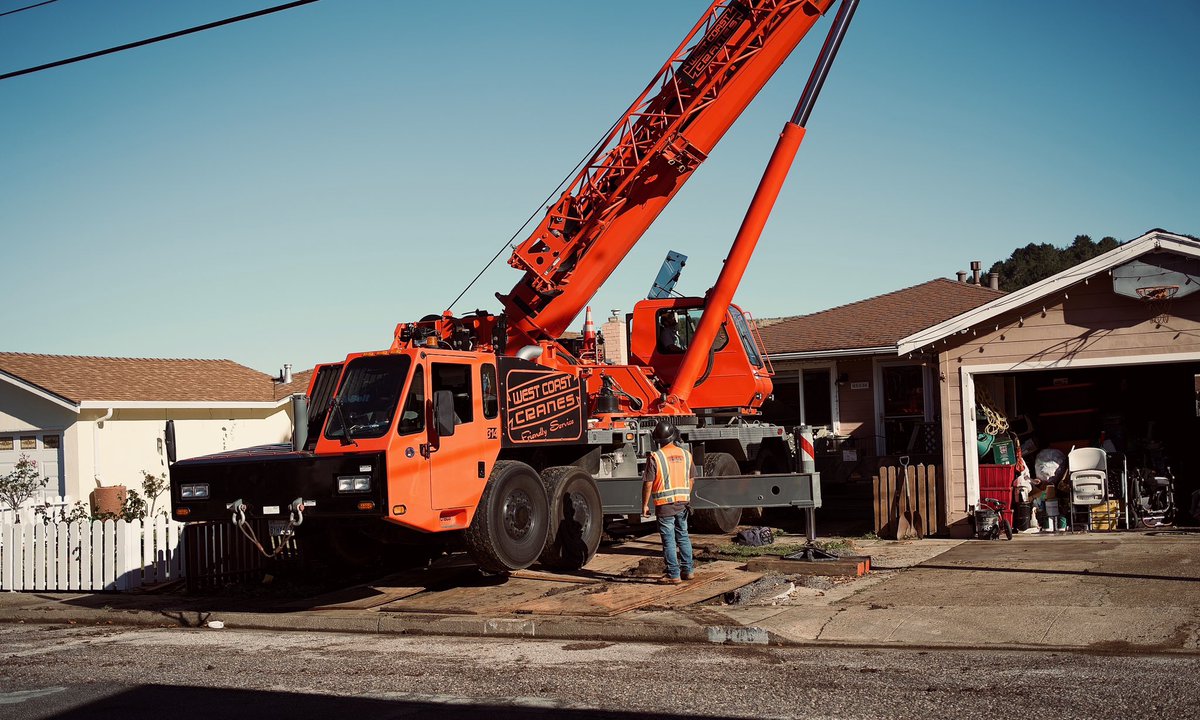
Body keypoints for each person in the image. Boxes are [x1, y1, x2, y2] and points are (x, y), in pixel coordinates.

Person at [642, 419, 695, 584]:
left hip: (665, 506)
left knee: (669, 540)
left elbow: (648, 483)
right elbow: (691, 478)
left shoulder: (656, 457)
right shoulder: (686, 454)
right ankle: (688, 570)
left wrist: (644, 505)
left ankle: (673, 574)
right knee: (683, 536)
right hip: (683, 503)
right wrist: (685, 496)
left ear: (657, 439)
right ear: (673, 436)